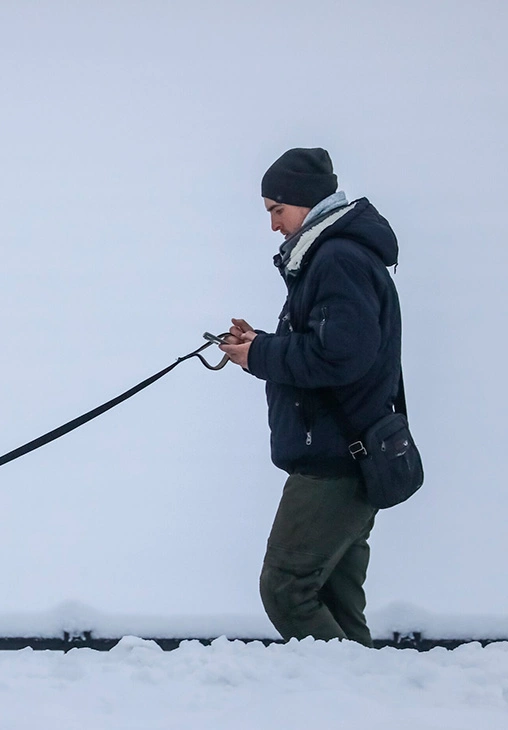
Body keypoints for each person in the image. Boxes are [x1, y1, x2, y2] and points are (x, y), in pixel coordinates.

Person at [218, 147, 404, 646]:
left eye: (277, 210)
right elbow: (332, 348)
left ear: (304, 203)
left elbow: (340, 358)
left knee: (286, 588)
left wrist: (259, 355)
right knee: (339, 607)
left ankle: (342, 703)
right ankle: (367, 705)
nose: (274, 225)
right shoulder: (334, 255)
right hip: (349, 454)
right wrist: (260, 344)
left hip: (335, 462)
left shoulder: (337, 258)